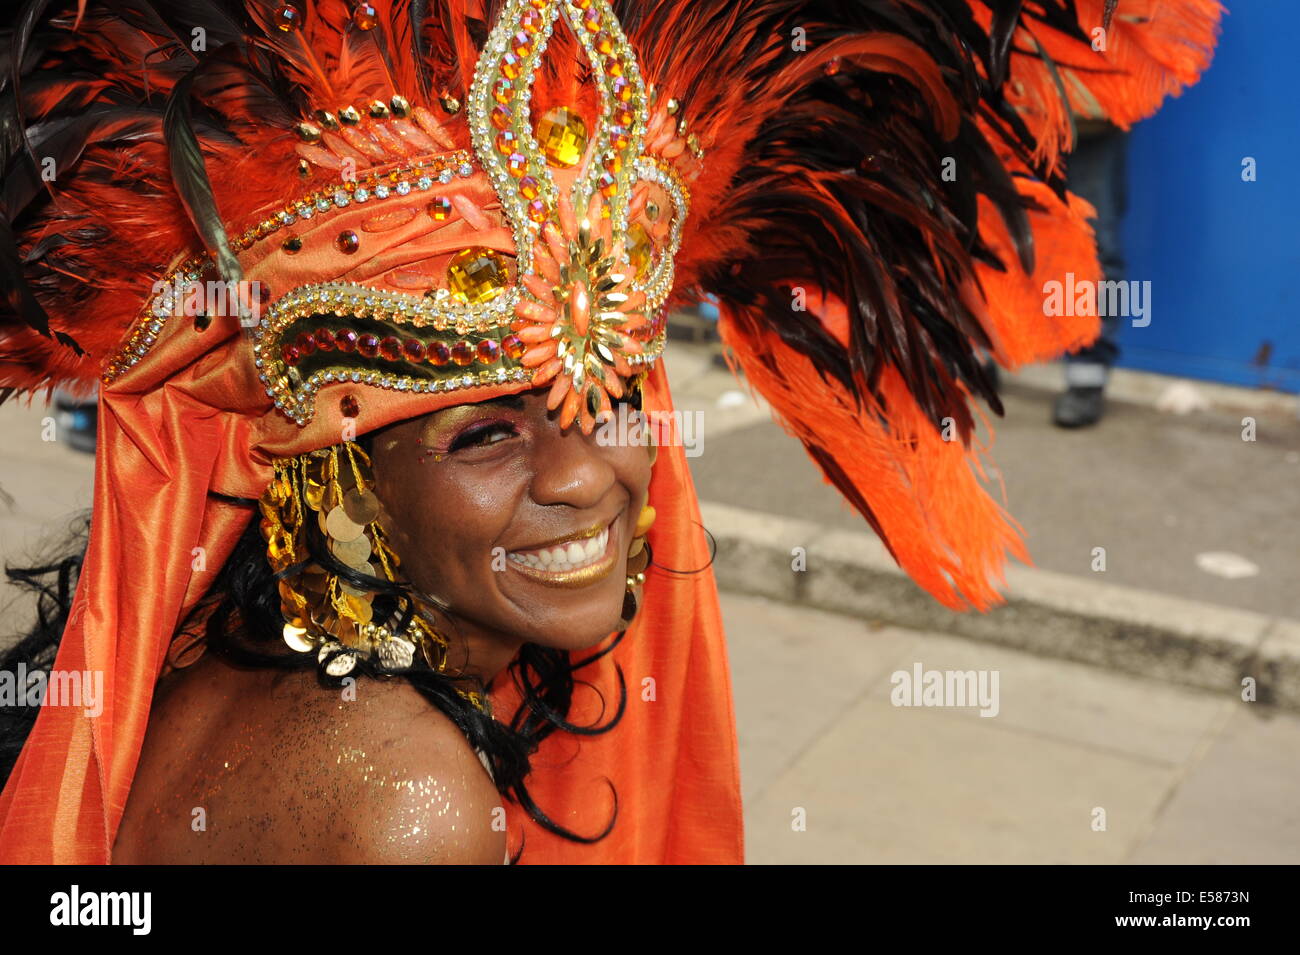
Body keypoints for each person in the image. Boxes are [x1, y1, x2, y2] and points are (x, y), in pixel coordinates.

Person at [0, 0, 1219, 864]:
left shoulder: (231, 646)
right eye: (484, 434)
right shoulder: (414, 806)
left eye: (611, 397)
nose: (588, 478)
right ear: (339, 478)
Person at [1054, 122, 1131, 428]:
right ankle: (979, 357)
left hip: (1088, 105)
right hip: (998, 99)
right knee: (984, 224)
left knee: (1093, 247)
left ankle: (1088, 374)